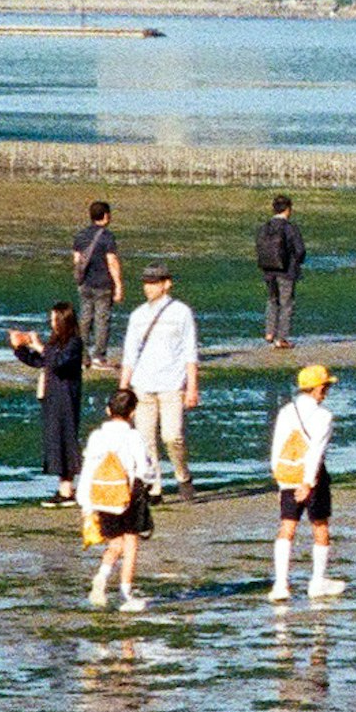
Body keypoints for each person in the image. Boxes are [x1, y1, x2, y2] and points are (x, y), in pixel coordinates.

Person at [117, 263, 201, 498]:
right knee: (145, 439)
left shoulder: (181, 312)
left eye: (153, 283)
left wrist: (192, 387)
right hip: (142, 385)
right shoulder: (138, 315)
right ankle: (154, 486)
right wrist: (123, 390)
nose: (148, 288)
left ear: (166, 284)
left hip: (172, 385)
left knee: (172, 436)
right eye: (146, 283)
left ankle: (183, 474)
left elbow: (190, 352)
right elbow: (129, 355)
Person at [268, 363, 343, 602]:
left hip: (287, 474)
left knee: (286, 526)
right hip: (312, 478)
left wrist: (280, 480)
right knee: (319, 526)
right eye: (326, 386)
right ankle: (317, 581)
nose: (327, 390)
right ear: (318, 388)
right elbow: (316, 451)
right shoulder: (324, 416)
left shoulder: (286, 411)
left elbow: (277, 448)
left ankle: (281, 584)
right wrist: (308, 482)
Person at [78, 387, 157, 612]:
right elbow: (144, 469)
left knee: (115, 543)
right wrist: (148, 485)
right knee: (130, 544)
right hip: (126, 497)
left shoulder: (96, 437)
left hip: (101, 497)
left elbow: (88, 470)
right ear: (132, 413)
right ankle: (125, 593)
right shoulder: (133, 437)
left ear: (107, 410)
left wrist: (86, 504)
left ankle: (101, 577)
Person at [7, 301, 88, 501]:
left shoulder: (74, 343)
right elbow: (40, 361)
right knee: (55, 440)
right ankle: (65, 487)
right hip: (52, 396)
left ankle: (67, 489)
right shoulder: (55, 343)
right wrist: (20, 349)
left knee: (66, 438)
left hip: (66, 396)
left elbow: (59, 363)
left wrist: (38, 345)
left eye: (54, 319)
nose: (51, 323)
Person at [68, 200, 122, 368]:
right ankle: (99, 356)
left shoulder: (80, 235)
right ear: (106, 216)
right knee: (102, 320)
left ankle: (83, 357)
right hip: (103, 284)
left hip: (85, 283)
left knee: (85, 319)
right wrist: (119, 285)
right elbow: (112, 262)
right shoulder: (107, 237)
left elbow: (77, 260)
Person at [253, 195, 307, 350]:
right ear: (288, 209)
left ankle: (269, 332)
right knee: (286, 303)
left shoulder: (265, 227)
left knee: (272, 300)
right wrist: (297, 263)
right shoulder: (290, 228)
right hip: (286, 270)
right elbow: (300, 250)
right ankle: (281, 338)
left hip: (268, 269)